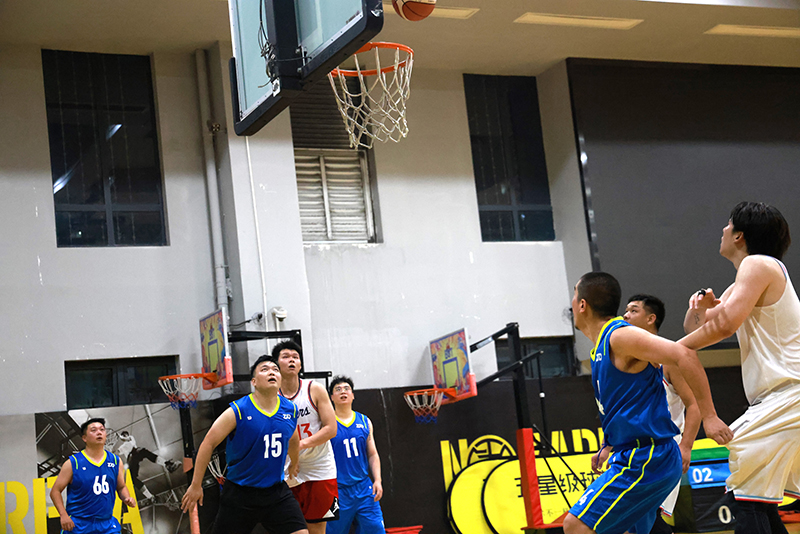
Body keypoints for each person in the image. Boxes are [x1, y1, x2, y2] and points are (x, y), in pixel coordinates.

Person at [563, 272, 732, 534]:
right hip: (634, 453)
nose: (571, 303)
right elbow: (622, 405)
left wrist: (709, 416)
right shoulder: (602, 346)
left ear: (582, 304)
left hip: (648, 457)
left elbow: (684, 353)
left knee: (576, 526)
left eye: (574, 295)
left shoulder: (620, 337)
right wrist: (610, 443)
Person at [680, 202, 800, 534]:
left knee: (745, 491)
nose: (722, 230)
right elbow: (697, 327)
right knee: (755, 496)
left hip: (789, 394)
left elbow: (723, 326)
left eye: (727, 224)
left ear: (739, 235)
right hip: (781, 398)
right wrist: (699, 309)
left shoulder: (758, 264)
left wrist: (677, 349)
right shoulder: (745, 280)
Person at [180, 355, 307, 534]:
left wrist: (294, 462)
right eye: (265, 369)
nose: (271, 372)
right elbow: (208, 443)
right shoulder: (238, 410)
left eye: (275, 370)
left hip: (276, 493)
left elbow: (293, 438)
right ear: (254, 382)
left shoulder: (290, 410)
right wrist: (196, 484)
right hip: (240, 494)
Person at [623, 294, 701, 534]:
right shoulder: (627, 359)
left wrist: (686, 446)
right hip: (636, 451)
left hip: (664, 450)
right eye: (626, 310)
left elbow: (695, 406)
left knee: (647, 518)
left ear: (651, 319)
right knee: (635, 522)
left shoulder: (669, 358)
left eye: (633, 310)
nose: (625, 315)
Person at [272, 341, 339, 534]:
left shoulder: (314, 389)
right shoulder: (270, 395)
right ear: (277, 364)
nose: (291, 360)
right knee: (289, 528)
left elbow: (331, 428)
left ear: (301, 364)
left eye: (295, 357)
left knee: (317, 528)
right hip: (285, 468)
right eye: (286, 357)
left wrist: (299, 446)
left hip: (319, 467)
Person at [50, 418, 136, 534]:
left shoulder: (116, 461)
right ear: (84, 438)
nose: (99, 432)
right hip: (79, 525)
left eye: (102, 430)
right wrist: (63, 515)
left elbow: (121, 487)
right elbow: (55, 491)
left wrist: (126, 498)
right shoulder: (73, 463)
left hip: (107, 524)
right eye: (94, 430)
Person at [327, 376, 386, 534]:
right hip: (337, 490)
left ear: (353, 395)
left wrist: (378, 480)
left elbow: (372, 454)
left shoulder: (364, 421)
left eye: (346, 389)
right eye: (338, 389)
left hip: (364, 488)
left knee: (376, 529)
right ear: (331, 397)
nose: (343, 392)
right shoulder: (326, 423)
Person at [115, 430, 181, 506]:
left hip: (135, 452)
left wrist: (120, 436)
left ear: (127, 435)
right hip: (131, 460)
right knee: (133, 479)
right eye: (124, 435)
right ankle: (150, 497)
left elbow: (126, 439)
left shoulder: (131, 439)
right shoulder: (122, 447)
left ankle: (167, 465)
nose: (125, 436)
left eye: (125, 435)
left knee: (143, 451)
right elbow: (117, 452)